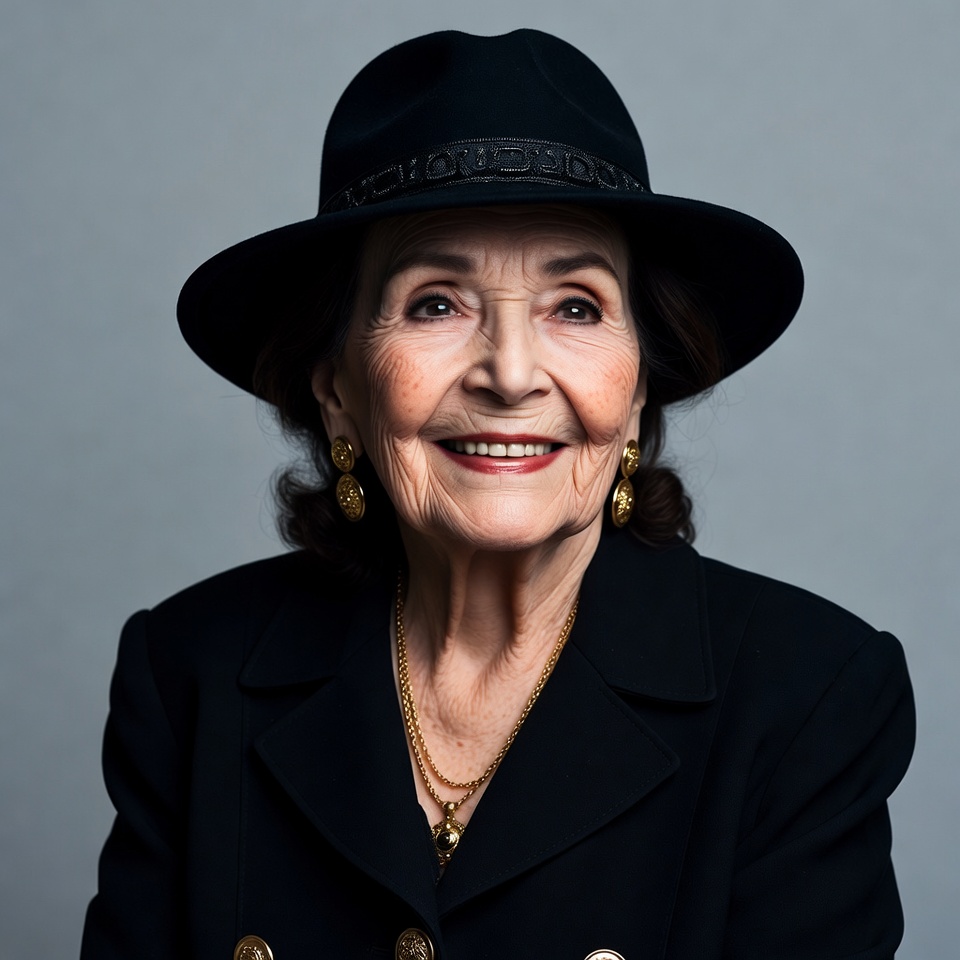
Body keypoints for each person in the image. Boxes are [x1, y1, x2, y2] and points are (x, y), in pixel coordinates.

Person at [81, 29, 914, 960]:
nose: (511, 374)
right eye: (436, 301)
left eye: (577, 306)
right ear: (336, 388)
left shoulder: (810, 695)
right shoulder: (190, 671)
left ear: (639, 387)